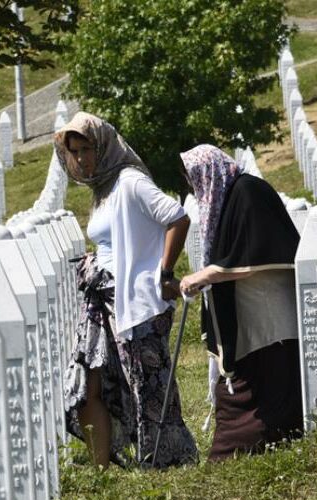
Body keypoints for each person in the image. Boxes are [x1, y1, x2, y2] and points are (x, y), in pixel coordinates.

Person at [54, 112, 198, 469]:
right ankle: (102, 469)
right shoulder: (103, 189)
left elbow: (177, 217)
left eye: (87, 148)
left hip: (135, 302)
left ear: (103, 146)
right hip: (101, 300)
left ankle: (167, 461)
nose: (82, 158)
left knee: (147, 387)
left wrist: (164, 271)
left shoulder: (130, 181)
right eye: (75, 151)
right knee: (87, 381)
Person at [178, 144, 303, 462]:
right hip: (249, 312)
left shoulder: (248, 192)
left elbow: (256, 251)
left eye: (195, 178)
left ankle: (246, 448)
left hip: (268, 315)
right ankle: (236, 449)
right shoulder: (229, 196)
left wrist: (205, 275)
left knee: (268, 380)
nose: (195, 187)